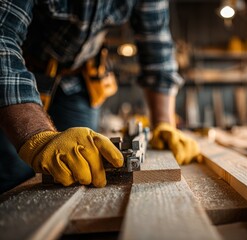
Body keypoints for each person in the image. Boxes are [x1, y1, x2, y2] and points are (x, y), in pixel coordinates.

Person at [0, 0, 200, 193]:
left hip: (78, 80)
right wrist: (36, 138)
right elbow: (3, 37)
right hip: (16, 73)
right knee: (14, 174)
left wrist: (164, 123)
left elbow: (157, 50)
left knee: (81, 173)